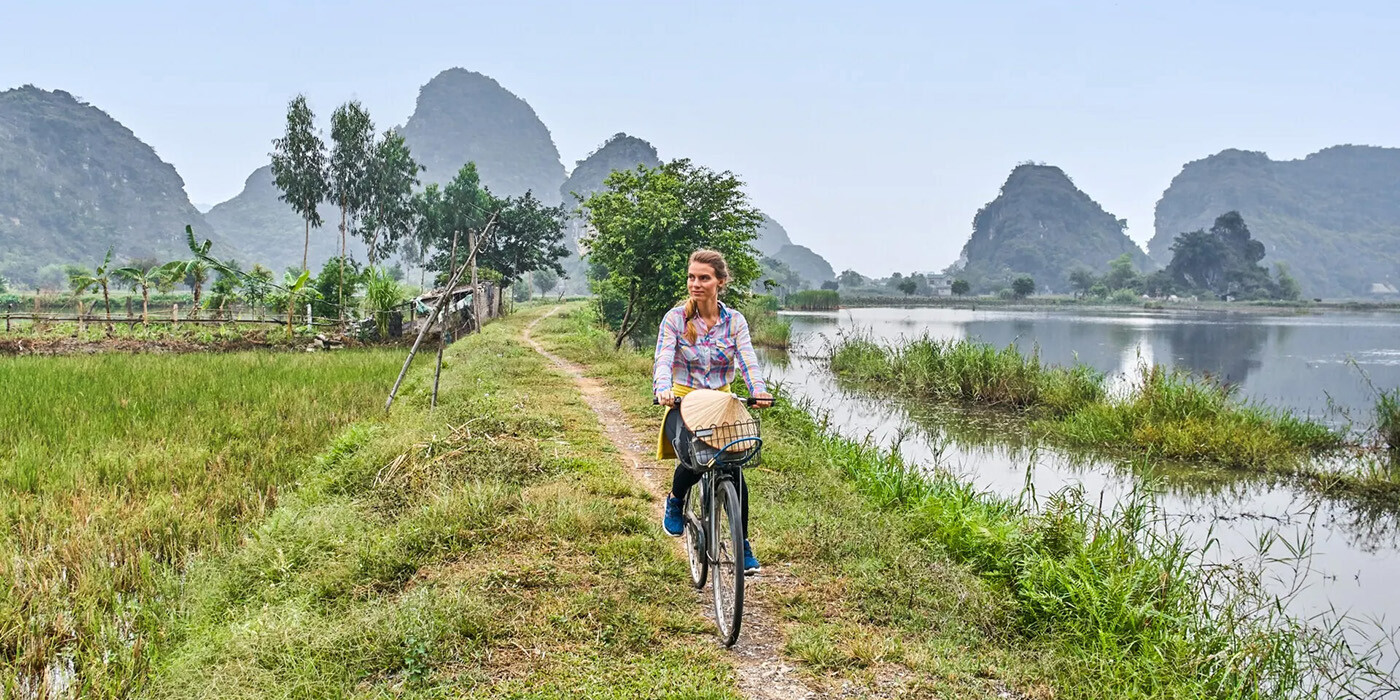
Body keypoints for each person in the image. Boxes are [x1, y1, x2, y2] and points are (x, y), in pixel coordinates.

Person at [654, 249, 773, 575]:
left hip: (721, 405)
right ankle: (676, 500)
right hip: (683, 403)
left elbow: (748, 360)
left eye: (704, 278)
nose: (696, 283)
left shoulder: (735, 321)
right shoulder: (676, 319)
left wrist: (758, 390)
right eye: (692, 277)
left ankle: (742, 543)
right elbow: (663, 359)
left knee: (734, 468)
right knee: (695, 459)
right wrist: (663, 388)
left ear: (720, 282)